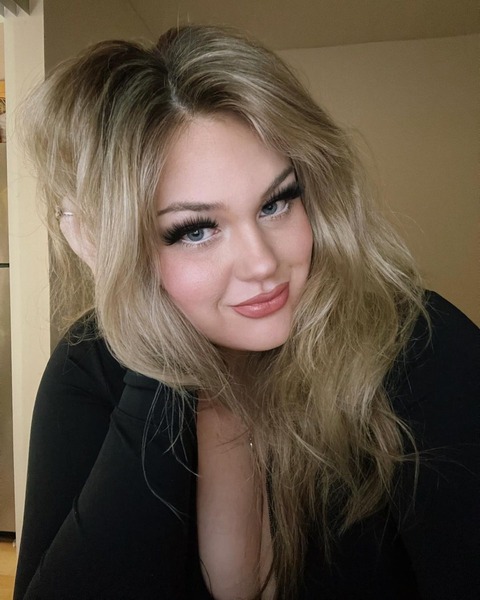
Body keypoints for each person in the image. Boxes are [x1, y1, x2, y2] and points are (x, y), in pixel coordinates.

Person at [14, 25, 479, 600]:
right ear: (120, 246)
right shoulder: (90, 365)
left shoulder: (414, 341)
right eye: (194, 230)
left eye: (276, 203)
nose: (263, 263)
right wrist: (154, 343)